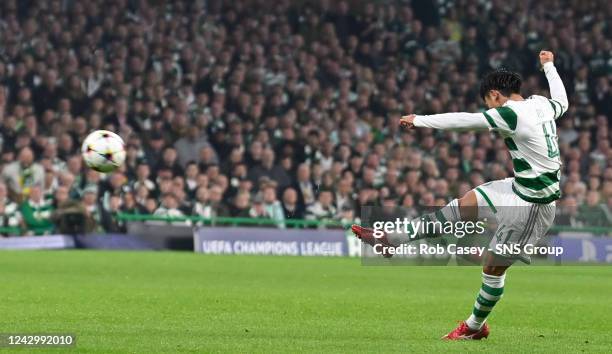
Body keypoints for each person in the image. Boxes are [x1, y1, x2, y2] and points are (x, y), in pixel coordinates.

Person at [351, 51, 569, 340]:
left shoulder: (510, 113)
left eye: (488, 104)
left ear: (495, 95)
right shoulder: (540, 104)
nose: (488, 110)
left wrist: (421, 120)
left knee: (493, 267)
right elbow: (563, 102)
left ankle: (474, 327)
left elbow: (466, 120)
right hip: (517, 188)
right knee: (465, 204)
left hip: (533, 205)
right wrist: (550, 67)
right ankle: (390, 240)